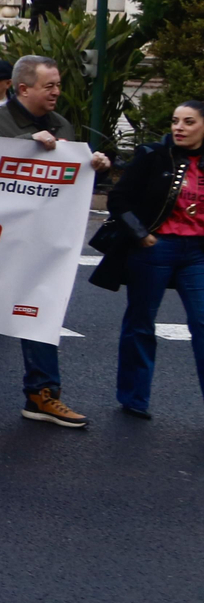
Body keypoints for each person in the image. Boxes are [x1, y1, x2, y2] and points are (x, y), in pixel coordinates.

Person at [0, 56, 110, 427]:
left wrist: (92, 165)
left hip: (41, 239)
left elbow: (65, 181)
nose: (57, 92)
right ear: (24, 89)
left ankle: (42, 394)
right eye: (49, 86)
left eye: (57, 85)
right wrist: (25, 144)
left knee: (41, 311)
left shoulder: (60, 124)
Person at [100, 99, 204, 418]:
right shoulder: (153, 155)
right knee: (141, 323)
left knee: (202, 322)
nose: (179, 128)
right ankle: (134, 397)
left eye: (188, 122)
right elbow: (118, 198)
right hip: (155, 247)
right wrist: (141, 234)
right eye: (175, 121)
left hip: (197, 252)